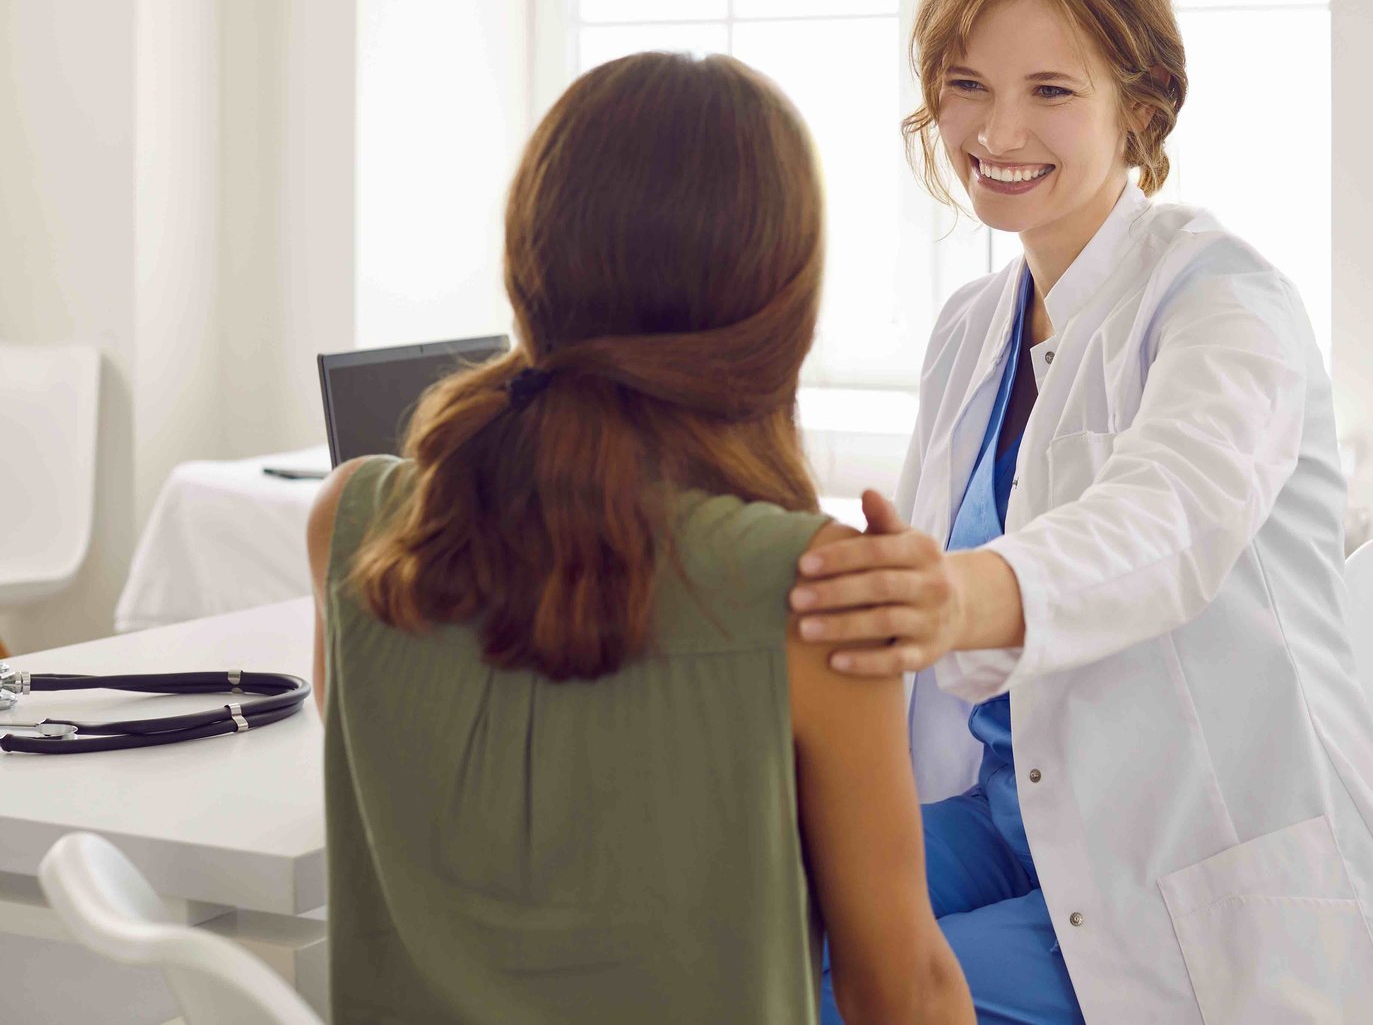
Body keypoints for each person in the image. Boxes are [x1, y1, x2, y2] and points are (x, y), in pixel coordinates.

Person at [795, 0, 1373, 1023]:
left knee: (836, 995)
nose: (996, 128)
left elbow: (1166, 522)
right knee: (751, 911)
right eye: (966, 83)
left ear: (1142, 104)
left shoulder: (1225, 304)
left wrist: (958, 594)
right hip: (1006, 823)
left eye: (1050, 91)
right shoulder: (972, 329)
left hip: (1185, 878)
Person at [306, 53, 972, 1025]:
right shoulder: (814, 588)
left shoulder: (352, 521)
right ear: (778, 302)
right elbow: (900, 992)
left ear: (530, 256)